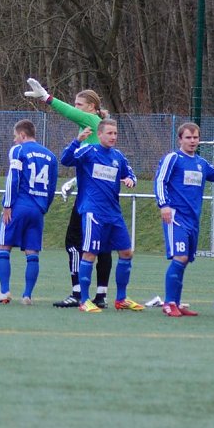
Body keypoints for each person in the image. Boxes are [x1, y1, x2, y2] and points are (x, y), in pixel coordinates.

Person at [24, 78, 114, 309]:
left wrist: (47, 98)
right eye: (75, 104)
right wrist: (74, 181)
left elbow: (67, 113)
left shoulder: (92, 120)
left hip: (90, 199)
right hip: (92, 193)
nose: (76, 108)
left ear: (92, 108)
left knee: (73, 242)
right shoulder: (89, 132)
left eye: (80, 104)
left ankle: (77, 293)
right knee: (100, 245)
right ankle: (100, 295)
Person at [60, 119, 141, 313]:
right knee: (89, 254)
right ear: (100, 134)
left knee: (127, 252)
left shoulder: (118, 157)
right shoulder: (88, 151)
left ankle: (121, 298)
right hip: (93, 212)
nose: (113, 137)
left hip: (113, 213)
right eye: (109, 133)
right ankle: (85, 300)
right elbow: (65, 160)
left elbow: (131, 174)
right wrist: (77, 141)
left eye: (115, 134)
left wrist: (130, 179)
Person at [154, 122, 214, 317]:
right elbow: (160, 180)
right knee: (179, 257)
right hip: (176, 216)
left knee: (185, 260)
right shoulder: (173, 158)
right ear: (180, 139)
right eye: (188, 137)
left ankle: (177, 302)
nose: (192, 141)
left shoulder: (201, 163)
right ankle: (169, 303)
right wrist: (164, 204)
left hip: (193, 220)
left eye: (195, 137)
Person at [0, 119, 58, 305]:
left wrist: (7, 205)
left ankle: (5, 291)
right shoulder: (51, 156)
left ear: (23, 135)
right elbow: (52, 187)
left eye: (15, 137)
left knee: (4, 246)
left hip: (19, 206)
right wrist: (44, 207)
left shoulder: (18, 151)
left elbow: (13, 179)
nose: (14, 140)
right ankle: (27, 295)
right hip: (38, 209)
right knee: (32, 252)